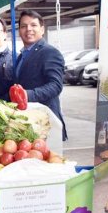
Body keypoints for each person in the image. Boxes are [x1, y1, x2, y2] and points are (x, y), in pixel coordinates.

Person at [13, 9, 67, 140]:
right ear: (19, 31)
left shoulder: (50, 53)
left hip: (45, 122)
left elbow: (55, 86)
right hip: (29, 122)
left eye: (33, 25)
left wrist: (27, 95)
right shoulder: (22, 55)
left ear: (42, 29)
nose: (28, 29)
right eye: (24, 26)